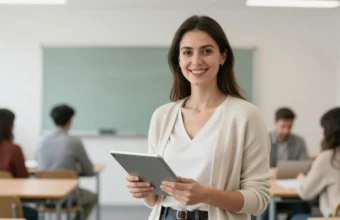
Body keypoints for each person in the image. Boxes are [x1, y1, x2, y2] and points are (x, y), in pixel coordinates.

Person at [125, 15, 271, 220]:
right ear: (178, 59)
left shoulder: (246, 115)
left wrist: (206, 195)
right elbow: (154, 200)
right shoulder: (162, 116)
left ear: (223, 56)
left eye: (207, 51)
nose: (196, 61)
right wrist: (143, 191)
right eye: (187, 52)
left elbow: (260, 200)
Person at [35, 104, 96, 220]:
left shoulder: (41, 141)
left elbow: (38, 165)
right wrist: (75, 173)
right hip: (68, 197)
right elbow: (89, 171)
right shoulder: (74, 142)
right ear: (70, 121)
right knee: (93, 197)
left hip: (43, 195)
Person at [290, 107, 340, 220]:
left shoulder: (329, 158)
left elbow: (305, 193)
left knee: (296, 218)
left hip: (335, 217)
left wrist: (302, 179)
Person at [0, 109, 38, 220]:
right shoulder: (14, 149)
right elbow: (23, 179)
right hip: (9, 207)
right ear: (10, 126)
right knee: (31, 214)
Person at [269, 107, 309, 176]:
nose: (286, 131)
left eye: (289, 127)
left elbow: (304, 164)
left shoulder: (299, 141)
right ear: (275, 122)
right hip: (269, 179)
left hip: (292, 179)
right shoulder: (265, 140)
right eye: (283, 126)